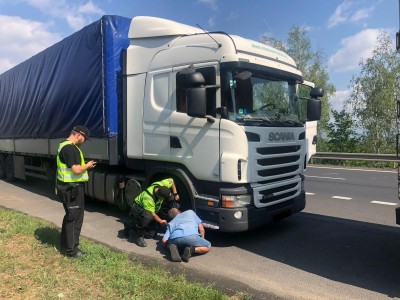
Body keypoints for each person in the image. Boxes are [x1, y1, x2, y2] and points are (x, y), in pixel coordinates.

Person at [56, 125, 96, 258]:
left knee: (70, 217)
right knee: (74, 219)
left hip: (68, 188)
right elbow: (76, 170)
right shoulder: (70, 148)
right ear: (79, 135)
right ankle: (71, 250)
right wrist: (88, 166)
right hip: (72, 189)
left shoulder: (64, 145)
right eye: (85, 138)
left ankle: (65, 246)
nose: (84, 141)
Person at [128, 178, 180, 247]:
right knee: (148, 217)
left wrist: (175, 194)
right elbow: (152, 214)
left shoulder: (162, 185)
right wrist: (161, 221)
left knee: (152, 234)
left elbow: (172, 181)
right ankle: (138, 235)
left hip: (153, 209)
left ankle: (135, 227)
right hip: (138, 209)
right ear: (159, 196)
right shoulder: (148, 198)